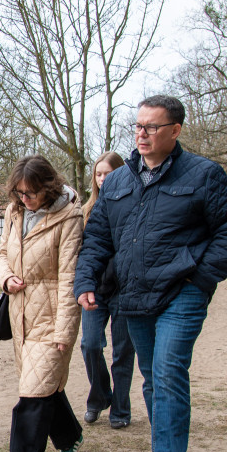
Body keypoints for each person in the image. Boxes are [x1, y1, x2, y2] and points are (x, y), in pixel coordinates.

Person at [75, 95, 227, 452]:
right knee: (152, 378)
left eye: (151, 127)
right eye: (137, 126)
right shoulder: (117, 182)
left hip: (181, 293)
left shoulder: (204, 174)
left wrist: (201, 278)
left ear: (175, 131)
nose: (142, 134)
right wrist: (86, 279)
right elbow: (98, 237)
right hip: (133, 295)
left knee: (169, 373)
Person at [0, 156, 85, 452]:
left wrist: (65, 331)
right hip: (20, 314)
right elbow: (2, 253)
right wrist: (6, 277)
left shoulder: (69, 218)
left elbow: (69, 277)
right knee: (43, 385)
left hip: (52, 317)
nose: (25, 199)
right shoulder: (12, 212)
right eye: (19, 192)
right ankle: (69, 436)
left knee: (32, 392)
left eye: (30, 193)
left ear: (47, 188)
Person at [79, 152, 136, 430]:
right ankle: (99, 395)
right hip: (95, 289)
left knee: (123, 352)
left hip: (125, 289)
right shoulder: (86, 209)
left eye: (108, 173)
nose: (103, 179)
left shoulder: (133, 204)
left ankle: (121, 408)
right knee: (90, 344)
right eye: (98, 174)